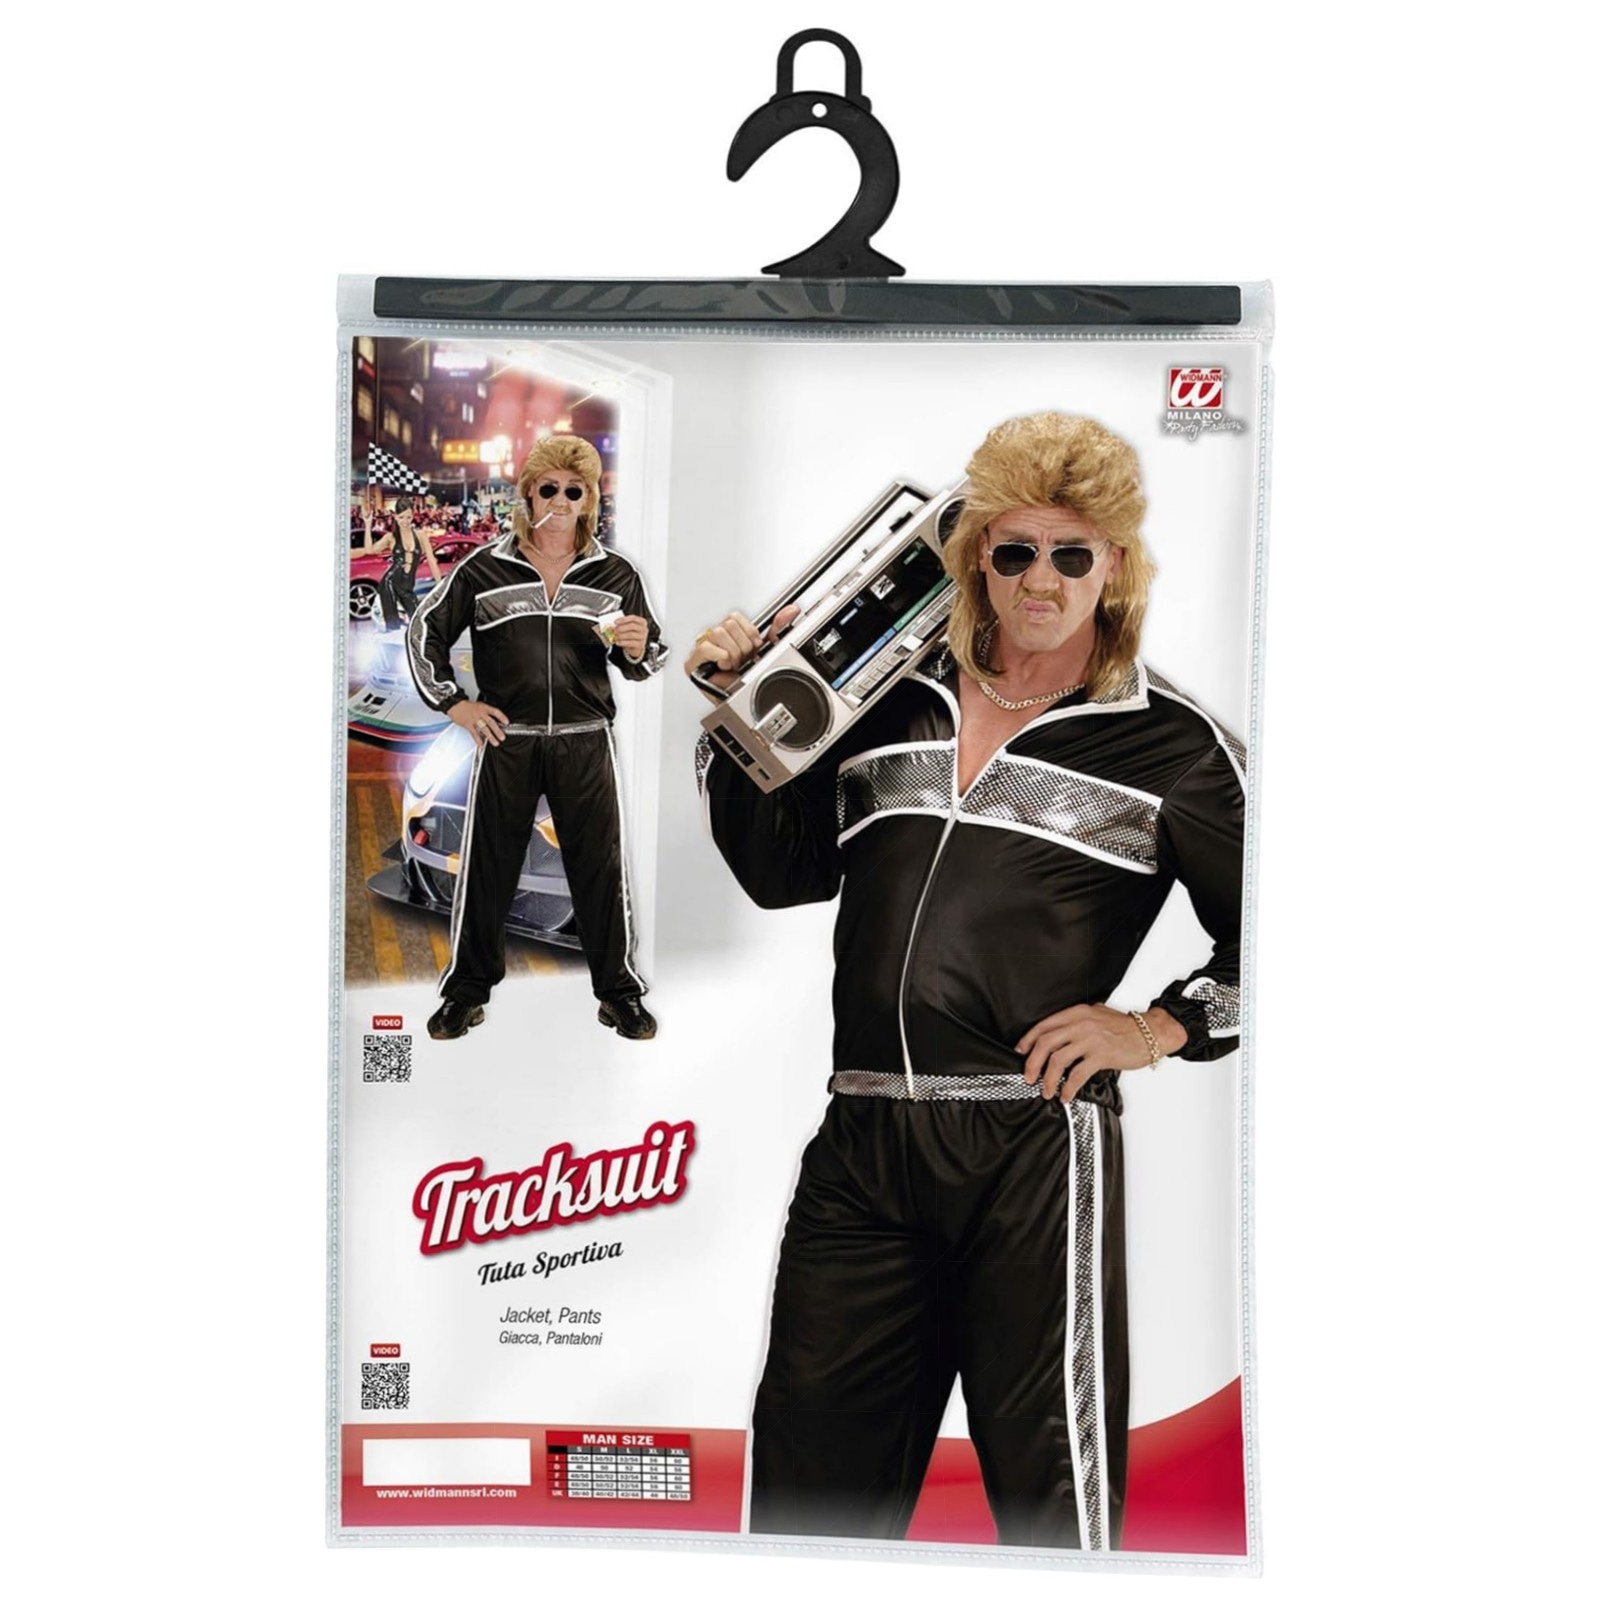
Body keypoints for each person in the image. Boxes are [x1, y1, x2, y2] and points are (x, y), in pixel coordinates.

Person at [686, 413, 1244, 1550]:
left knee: (1051, 1504)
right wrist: (740, 719)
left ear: (1115, 566)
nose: (1041, 579)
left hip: (1027, 1154)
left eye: (1072, 555)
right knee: (806, 1496)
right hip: (860, 1146)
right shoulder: (885, 702)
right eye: (1015, 549)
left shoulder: (1175, 748)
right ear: (975, 555)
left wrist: (1157, 1027)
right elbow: (782, 876)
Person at [407, 436, 667, 1042]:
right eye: (548, 488)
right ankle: (465, 993)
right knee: (487, 869)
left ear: (588, 500)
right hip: (509, 741)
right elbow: (425, 630)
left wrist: (638, 648)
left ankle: (619, 994)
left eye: (574, 491)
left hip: (586, 741)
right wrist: (455, 704)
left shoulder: (616, 574)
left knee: (600, 870)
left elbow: (645, 658)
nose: (560, 500)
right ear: (528, 494)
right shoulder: (483, 569)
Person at [360, 495, 441, 630]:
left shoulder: (421, 535)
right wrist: (368, 525)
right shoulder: (390, 537)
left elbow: (432, 561)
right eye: (401, 517)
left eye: (408, 517)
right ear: (396, 517)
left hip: (407, 587)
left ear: (413, 516)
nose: (405, 521)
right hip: (390, 583)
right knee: (393, 626)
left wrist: (440, 587)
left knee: (418, 622)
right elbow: (370, 550)